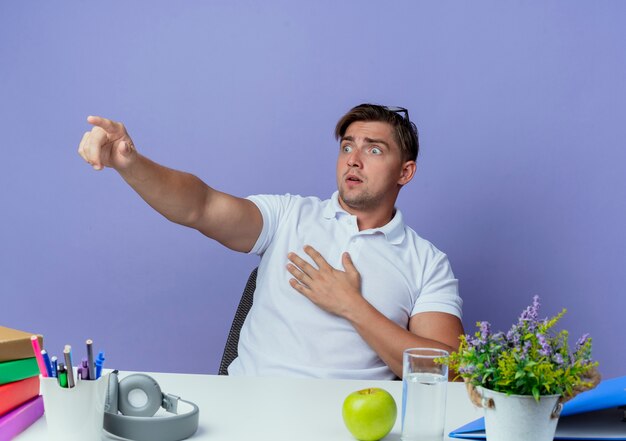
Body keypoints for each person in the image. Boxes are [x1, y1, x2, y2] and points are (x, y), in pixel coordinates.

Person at [77, 104, 464, 380]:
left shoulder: (427, 262)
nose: (353, 159)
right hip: (249, 412)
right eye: (347, 146)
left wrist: (353, 307)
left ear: (406, 171)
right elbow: (201, 206)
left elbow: (448, 370)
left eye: (373, 149)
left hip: (352, 425)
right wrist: (131, 162)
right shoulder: (289, 215)